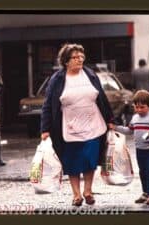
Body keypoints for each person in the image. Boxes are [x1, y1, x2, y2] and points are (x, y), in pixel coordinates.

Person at [40, 43, 114, 206]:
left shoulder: (90, 74)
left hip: (93, 124)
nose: (80, 59)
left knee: (89, 159)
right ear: (66, 61)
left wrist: (110, 119)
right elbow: (48, 104)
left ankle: (88, 191)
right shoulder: (57, 79)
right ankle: (76, 195)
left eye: (81, 56)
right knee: (71, 161)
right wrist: (45, 129)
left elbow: (102, 98)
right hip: (68, 126)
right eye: (75, 57)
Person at [109, 90, 149, 205]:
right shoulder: (135, 118)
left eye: (142, 107)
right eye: (136, 107)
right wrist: (116, 127)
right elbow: (129, 130)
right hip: (139, 150)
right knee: (142, 172)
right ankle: (145, 193)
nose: (139, 110)